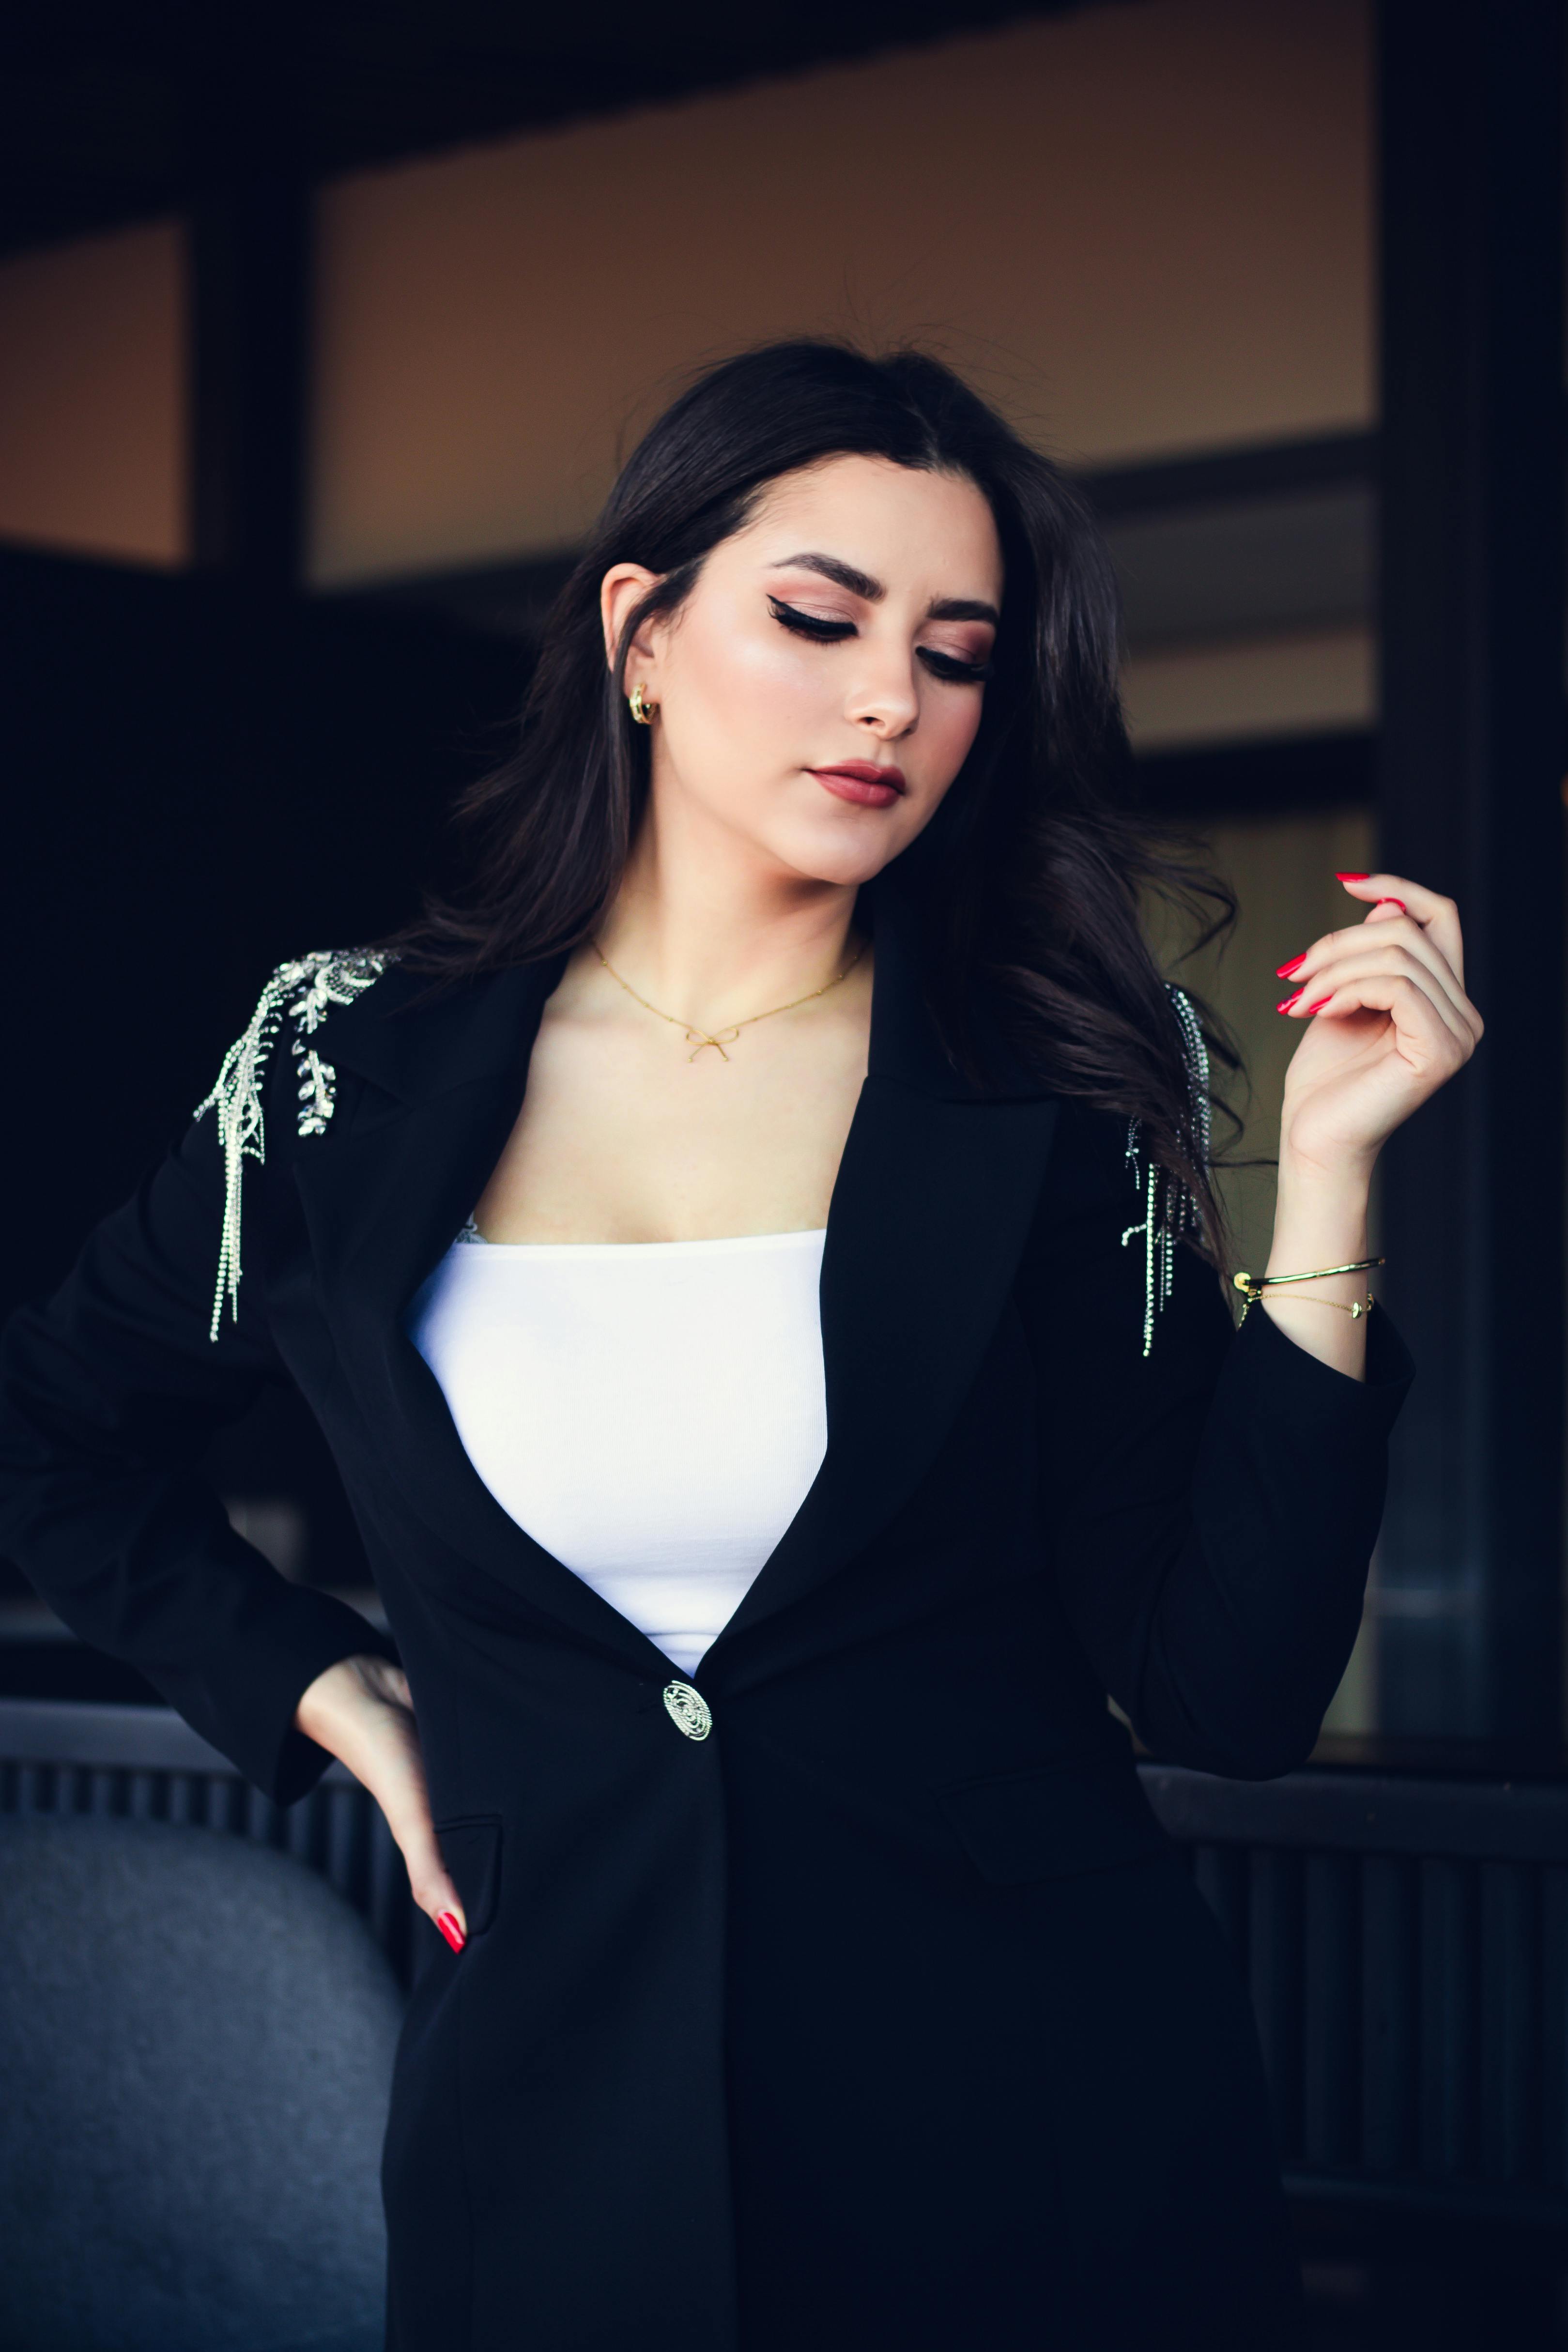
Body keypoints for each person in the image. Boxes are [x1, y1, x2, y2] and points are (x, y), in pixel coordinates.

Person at [0, 342, 1479, 2352]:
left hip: (1039, 2131)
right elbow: (53, 1438)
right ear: (641, 630)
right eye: (817, 617)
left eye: (958, 656)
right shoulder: (339, 1069)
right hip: (551, 2123)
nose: (892, 698)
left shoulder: (1055, 1087)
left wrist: (1326, 1194)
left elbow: (1225, 1689)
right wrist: (322, 1688)